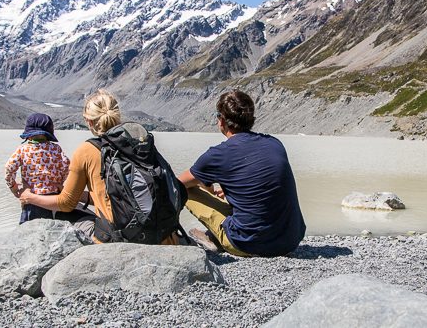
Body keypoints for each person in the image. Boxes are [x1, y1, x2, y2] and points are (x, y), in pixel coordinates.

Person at [19, 89, 178, 244]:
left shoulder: (87, 150)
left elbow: (66, 204)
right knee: (81, 206)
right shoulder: (140, 143)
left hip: (122, 238)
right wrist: (82, 196)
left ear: (88, 121)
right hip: (164, 234)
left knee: (60, 214)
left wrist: (29, 197)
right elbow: (121, 195)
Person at [178, 90, 306, 257]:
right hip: (290, 241)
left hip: (249, 245)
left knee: (184, 189)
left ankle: (207, 238)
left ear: (221, 120)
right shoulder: (274, 143)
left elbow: (177, 182)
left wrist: (205, 184)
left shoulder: (218, 155)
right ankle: (217, 234)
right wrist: (230, 188)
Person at [5, 113, 70, 224]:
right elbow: (67, 165)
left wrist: (14, 187)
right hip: (53, 199)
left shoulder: (23, 149)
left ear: (28, 134)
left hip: (31, 199)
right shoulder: (56, 149)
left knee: (28, 233)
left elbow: (9, 168)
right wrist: (59, 182)